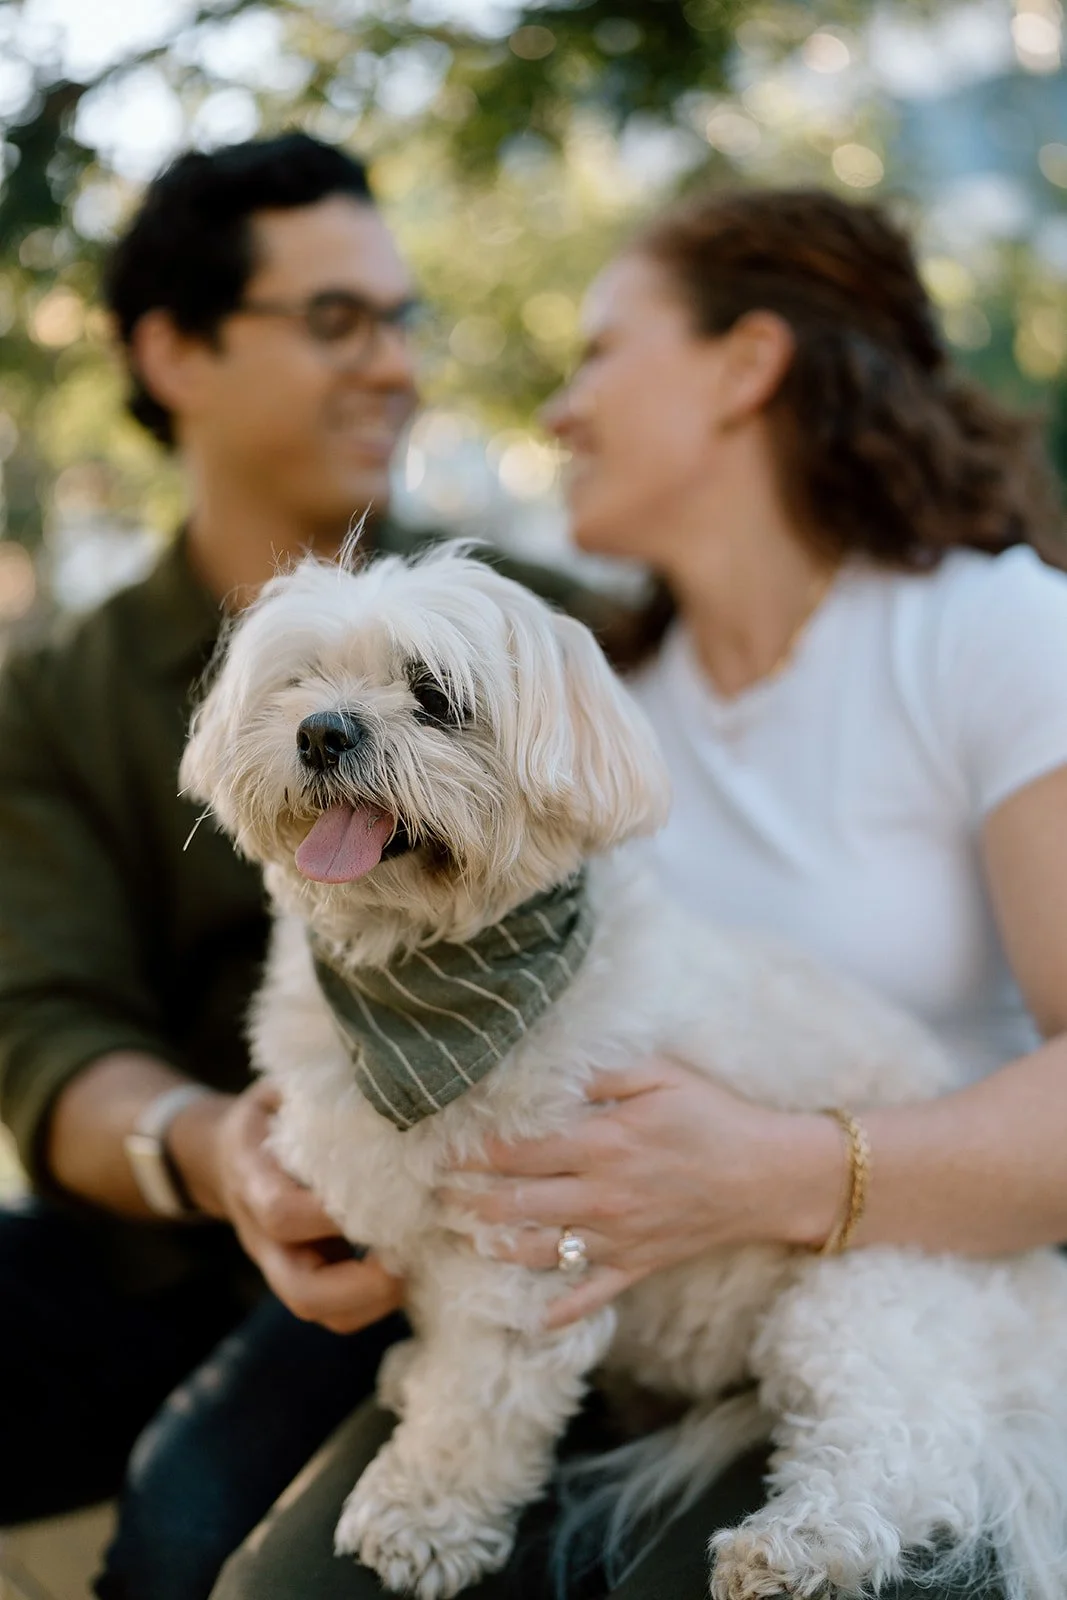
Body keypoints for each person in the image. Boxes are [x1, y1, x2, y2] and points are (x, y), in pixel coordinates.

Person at [212, 188, 1067, 1599]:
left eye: (600, 352)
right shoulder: (586, 684)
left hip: (923, 1293)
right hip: (565, 1316)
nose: (556, 410)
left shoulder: (998, 636)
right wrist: (287, 1170)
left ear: (746, 366)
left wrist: (776, 1171)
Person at [0, 131, 615, 1600]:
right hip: (174, 1230)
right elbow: (45, 1026)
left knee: (189, 1527)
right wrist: (213, 1154)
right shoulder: (55, 692)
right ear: (172, 351)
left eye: (401, 321)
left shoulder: (531, 627)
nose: (393, 366)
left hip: (464, 1235)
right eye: (334, 320)